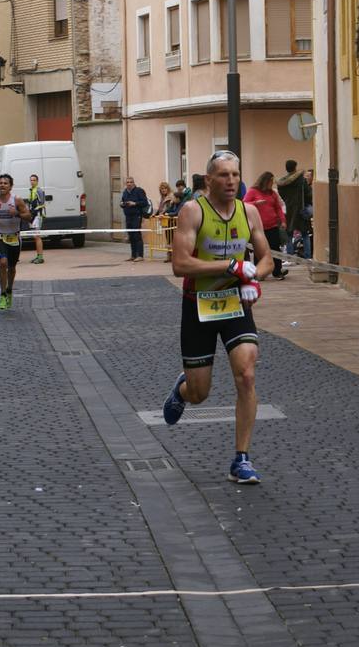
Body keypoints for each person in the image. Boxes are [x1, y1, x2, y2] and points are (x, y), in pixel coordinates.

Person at [163, 150, 274, 485]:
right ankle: (183, 390)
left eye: (236, 175)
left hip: (234, 302)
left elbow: (267, 257)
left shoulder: (249, 212)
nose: (231, 181)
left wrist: (254, 278)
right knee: (201, 392)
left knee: (247, 372)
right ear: (208, 179)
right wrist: (230, 266)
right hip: (197, 303)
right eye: (223, 175)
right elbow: (180, 264)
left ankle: (241, 458)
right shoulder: (192, 211)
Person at [0, 173, 31, 309]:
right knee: (3, 263)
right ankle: (3, 294)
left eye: (5, 183)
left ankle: (9, 290)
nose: (2, 185)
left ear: (10, 186)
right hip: (0, 237)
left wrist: (17, 213)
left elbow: (28, 216)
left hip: (15, 237)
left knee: (12, 267)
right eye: (1, 183)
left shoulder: (17, 200)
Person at [244, 172, 288, 279]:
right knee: (259, 249)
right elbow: (244, 204)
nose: (272, 184)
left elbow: (278, 207)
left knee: (275, 248)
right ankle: (259, 273)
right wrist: (256, 203)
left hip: (272, 225)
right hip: (259, 227)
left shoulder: (272, 193)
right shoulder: (253, 191)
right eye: (270, 182)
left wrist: (282, 220)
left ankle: (277, 271)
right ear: (265, 181)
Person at [277, 160, 310, 245]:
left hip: (289, 209)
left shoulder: (282, 183)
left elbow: (282, 195)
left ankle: (289, 255)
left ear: (286, 169)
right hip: (301, 209)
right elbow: (308, 194)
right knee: (305, 234)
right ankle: (307, 256)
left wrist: (288, 201)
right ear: (295, 168)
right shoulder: (302, 180)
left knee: (289, 234)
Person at [120, 176, 149, 261]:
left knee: (137, 235)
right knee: (131, 235)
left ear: (134, 183)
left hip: (136, 215)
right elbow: (123, 201)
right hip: (128, 216)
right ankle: (133, 255)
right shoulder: (125, 192)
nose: (129, 184)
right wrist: (122, 204)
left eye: (131, 182)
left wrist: (135, 203)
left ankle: (140, 255)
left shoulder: (139, 191)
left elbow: (144, 202)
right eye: (127, 182)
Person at [26, 173, 46, 264]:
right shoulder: (31, 190)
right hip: (33, 216)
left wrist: (34, 212)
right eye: (31, 180)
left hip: (37, 216)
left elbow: (42, 204)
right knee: (35, 236)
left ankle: (40, 257)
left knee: (37, 236)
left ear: (37, 181)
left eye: (34, 180)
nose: (32, 181)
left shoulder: (39, 191)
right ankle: (38, 256)